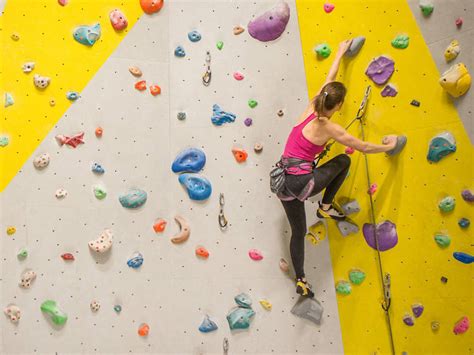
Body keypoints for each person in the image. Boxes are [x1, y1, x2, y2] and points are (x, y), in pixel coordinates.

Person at [278, 39, 398, 298]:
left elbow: (328, 78)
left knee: (298, 231)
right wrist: (388, 146)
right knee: (344, 161)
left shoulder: (312, 105)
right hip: (301, 181)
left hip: (282, 182)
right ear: (339, 106)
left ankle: (300, 279)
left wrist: (341, 52)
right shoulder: (329, 127)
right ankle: (326, 205)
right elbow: (361, 146)